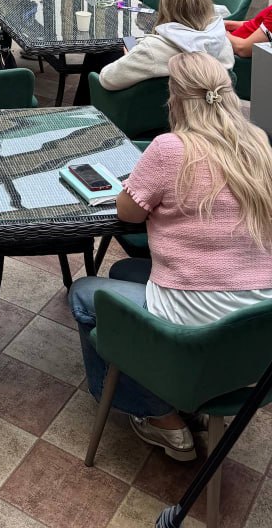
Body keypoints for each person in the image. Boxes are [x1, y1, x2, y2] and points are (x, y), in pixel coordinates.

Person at [69, 53, 272, 462]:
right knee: (127, 270)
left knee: (85, 293)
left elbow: (128, 212)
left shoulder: (169, 149)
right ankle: (195, 393)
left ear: (175, 100)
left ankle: (157, 414)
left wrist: (140, 188)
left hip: (194, 317)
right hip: (259, 324)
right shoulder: (259, 144)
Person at [72, 0, 233, 106]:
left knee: (101, 53)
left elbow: (107, 79)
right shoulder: (222, 42)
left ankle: (80, 114)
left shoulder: (152, 50)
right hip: (199, 109)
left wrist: (132, 55)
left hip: (140, 111)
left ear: (166, 7)